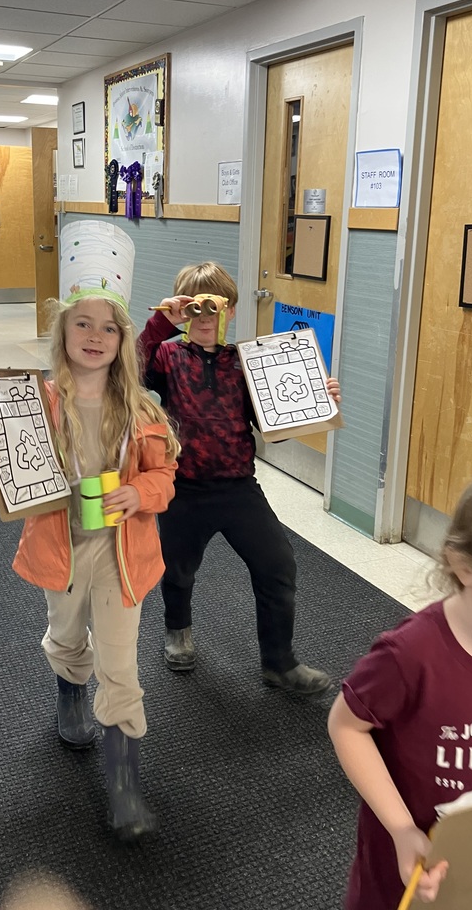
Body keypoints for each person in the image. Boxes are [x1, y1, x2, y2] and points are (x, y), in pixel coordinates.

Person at [0, 221, 179, 841]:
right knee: (66, 636)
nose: (95, 336)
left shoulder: (143, 409)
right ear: (62, 330)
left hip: (124, 554)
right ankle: (68, 690)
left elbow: (166, 475)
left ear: (123, 340)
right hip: (60, 549)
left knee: (121, 665)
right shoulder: (35, 402)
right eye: (82, 323)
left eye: (108, 327)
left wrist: (138, 491)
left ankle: (123, 783)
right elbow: (20, 487)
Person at [327, 461, 472, 910]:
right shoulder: (410, 654)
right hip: (419, 861)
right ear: (464, 564)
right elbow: (345, 726)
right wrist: (400, 828)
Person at [138, 260, 340, 694]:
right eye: (194, 307)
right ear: (183, 311)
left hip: (237, 486)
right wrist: (161, 323)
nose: (205, 317)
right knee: (177, 569)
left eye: (214, 307)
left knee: (277, 565)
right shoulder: (168, 356)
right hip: (183, 489)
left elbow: (277, 430)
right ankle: (178, 630)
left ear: (228, 310)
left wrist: (312, 400)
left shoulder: (246, 363)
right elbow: (129, 370)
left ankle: (279, 662)